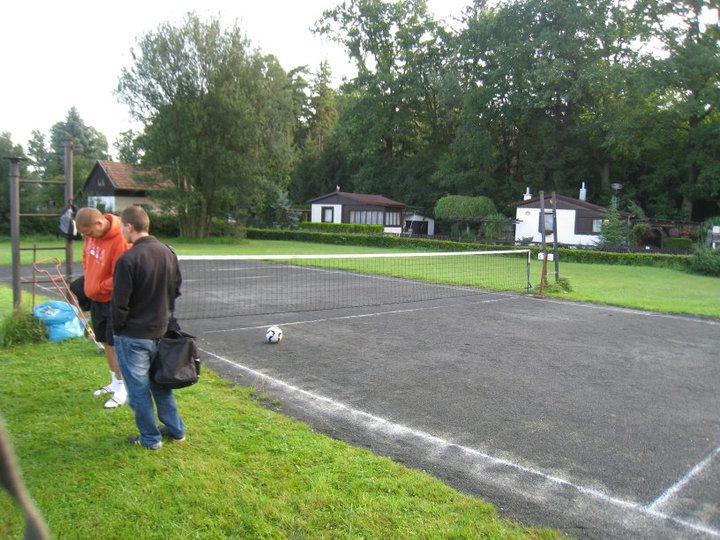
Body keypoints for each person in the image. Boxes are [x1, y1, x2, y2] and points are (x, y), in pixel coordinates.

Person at [112, 205, 185, 450]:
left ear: (129, 226)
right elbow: (175, 290)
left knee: (139, 391)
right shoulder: (168, 252)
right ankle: (176, 431)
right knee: (160, 385)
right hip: (161, 332)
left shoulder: (128, 259)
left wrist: (117, 330)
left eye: (122, 227)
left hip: (134, 336)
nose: (121, 232)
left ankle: (151, 439)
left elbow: (119, 304)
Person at [75, 207, 131, 409]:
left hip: (111, 300)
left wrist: (98, 286)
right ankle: (114, 382)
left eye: (89, 232)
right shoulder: (91, 236)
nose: (88, 237)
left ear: (99, 223)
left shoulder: (120, 239)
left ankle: (123, 388)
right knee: (105, 342)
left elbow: (120, 276)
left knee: (116, 344)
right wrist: (89, 279)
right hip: (96, 299)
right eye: (84, 234)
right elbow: (86, 256)